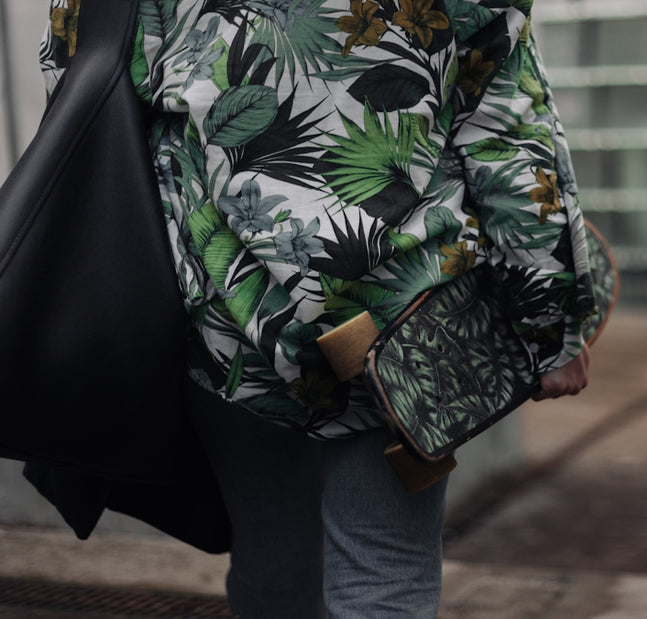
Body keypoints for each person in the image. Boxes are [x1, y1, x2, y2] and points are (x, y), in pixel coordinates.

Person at [37, 0, 594, 617]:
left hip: (227, 315)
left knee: (275, 565)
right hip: (403, 321)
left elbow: (77, 89)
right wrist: (550, 324)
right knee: (385, 574)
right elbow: (508, 133)